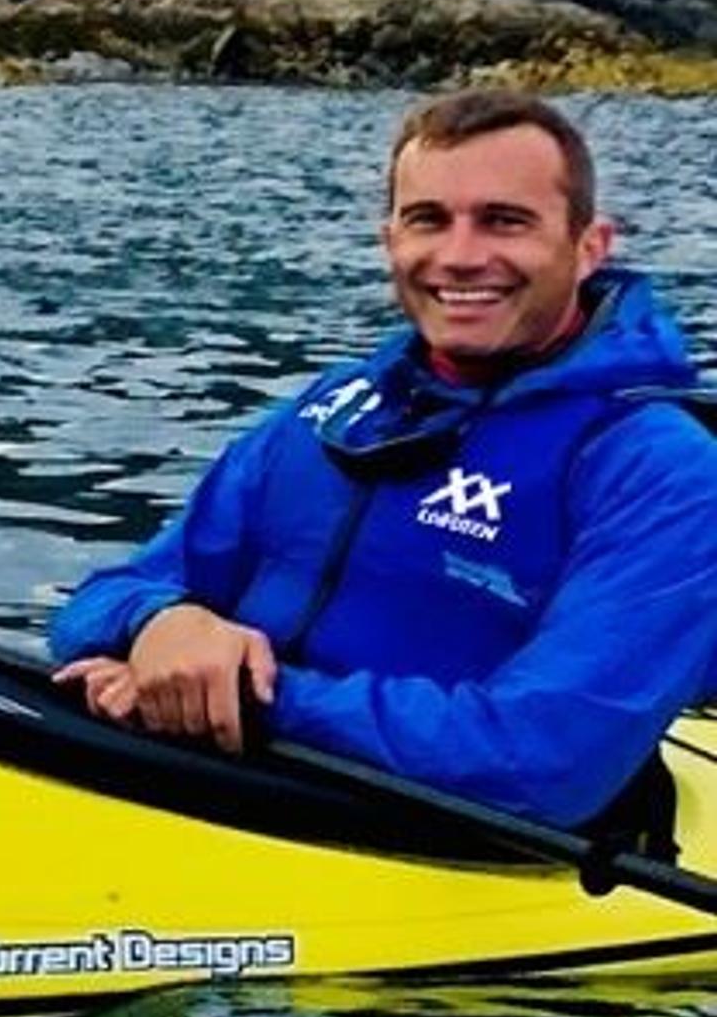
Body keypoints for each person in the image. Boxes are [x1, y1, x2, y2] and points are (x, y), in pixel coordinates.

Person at [49, 87, 717, 830]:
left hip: (457, 853)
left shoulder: (660, 468)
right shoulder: (335, 407)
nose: (460, 257)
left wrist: (239, 694)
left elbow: (542, 762)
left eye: (505, 221)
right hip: (229, 793)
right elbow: (107, 595)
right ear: (390, 240)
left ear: (589, 247)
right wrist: (158, 623)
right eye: (428, 220)